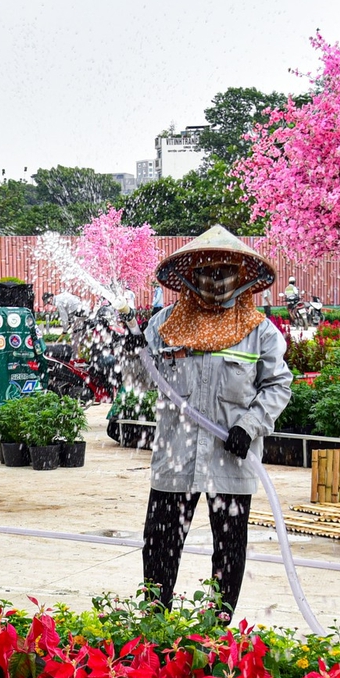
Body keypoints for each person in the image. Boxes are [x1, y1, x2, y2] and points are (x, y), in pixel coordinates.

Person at [119, 225, 292, 620]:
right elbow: (144, 381)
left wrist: (249, 426)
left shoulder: (259, 332)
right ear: (190, 276)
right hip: (176, 455)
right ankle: (155, 625)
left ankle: (217, 630)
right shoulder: (165, 324)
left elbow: (278, 385)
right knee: (160, 544)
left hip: (231, 456)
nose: (215, 281)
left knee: (229, 549)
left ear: (241, 276)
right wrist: (132, 353)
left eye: (224, 271)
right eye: (207, 272)